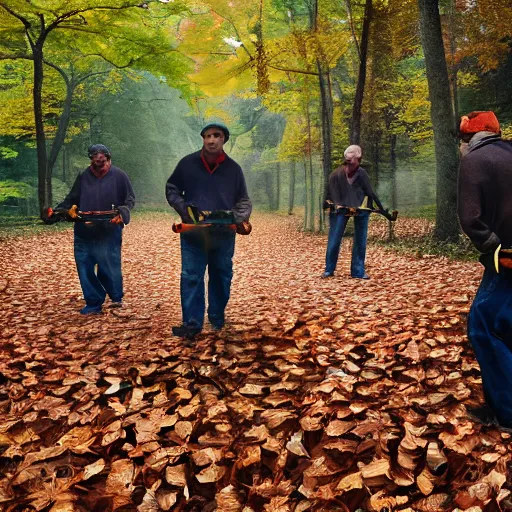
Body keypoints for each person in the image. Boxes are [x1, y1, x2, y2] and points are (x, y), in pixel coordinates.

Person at [166, 122, 252, 339]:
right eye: (207, 136)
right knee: (191, 276)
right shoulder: (187, 164)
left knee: (222, 276)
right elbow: (172, 188)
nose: (211, 140)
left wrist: (237, 217)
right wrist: (184, 210)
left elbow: (243, 199)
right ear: (203, 139)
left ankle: (216, 316)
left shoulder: (233, 169)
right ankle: (192, 324)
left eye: (217, 135)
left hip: (223, 234)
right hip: (193, 233)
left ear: (224, 139)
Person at [457, 110, 512, 428]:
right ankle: (497, 406)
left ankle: (506, 414)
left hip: (506, 258)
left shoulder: (473, 160)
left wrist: (494, 247)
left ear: (469, 138)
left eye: (462, 140)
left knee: (483, 324)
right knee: (505, 325)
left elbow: (470, 218)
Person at [47, 144, 135, 314]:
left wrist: (122, 214)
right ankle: (93, 302)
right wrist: (56, 212)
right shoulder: (84, 177)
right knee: (85, 265)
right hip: (84, 228)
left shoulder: (119, 176)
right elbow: (71, 199)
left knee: (109, 264)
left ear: (109, 159)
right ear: (91, 161)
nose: (100, 165)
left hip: (109, 227)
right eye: (95, 161)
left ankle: (116, 296)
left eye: (103, 161)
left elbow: (129, 199)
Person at [322, 144, 387, 279]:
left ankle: (358, 271)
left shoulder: (362, 173)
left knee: (360, 239)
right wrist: (331, 205)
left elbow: (370, 193)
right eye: (350, 158)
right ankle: (329, 269)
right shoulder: (336, 174)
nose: (352, 161)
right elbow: (329, 194)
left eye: (354, 158)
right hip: (339, 208)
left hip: (361, 208)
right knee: (334, 238)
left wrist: (380, 209)